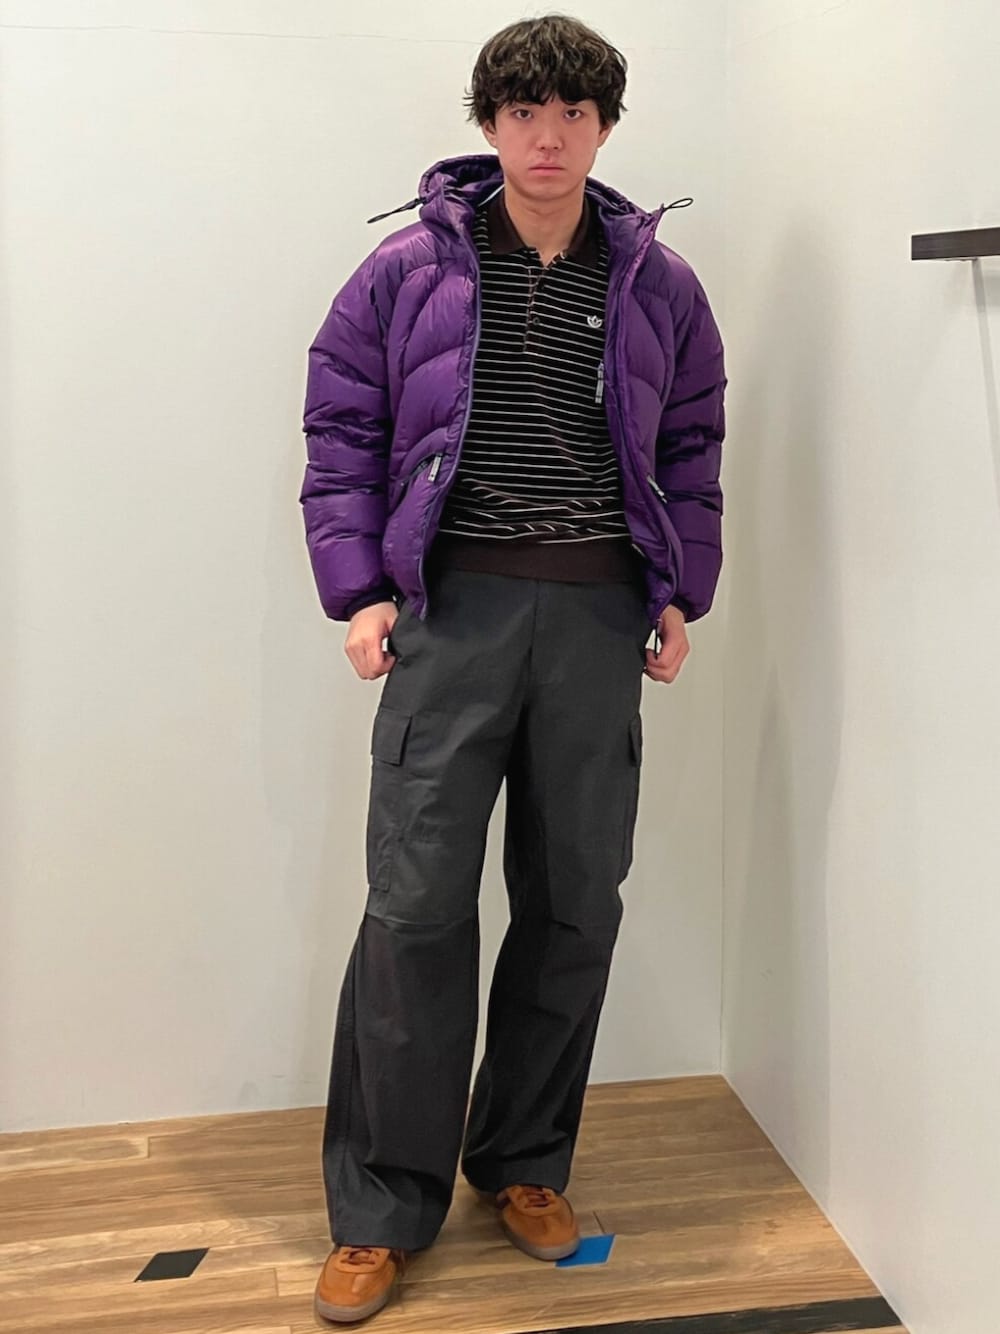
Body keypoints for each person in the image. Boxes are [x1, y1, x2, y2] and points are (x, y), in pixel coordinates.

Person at [299, 13, 726, 1325]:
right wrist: (360, 590)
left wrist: (678, 589)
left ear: (606, 128)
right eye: (525, 112)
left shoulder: (658, 283)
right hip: (454, 611)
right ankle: (383, 1206)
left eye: (575, 114)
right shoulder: (407, 271)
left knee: (576, 898)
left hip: (596, 616)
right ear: (489, 125)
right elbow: (342, 425)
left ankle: (525, 1161)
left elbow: (694, 440)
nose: (550, 137)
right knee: (416, 903)